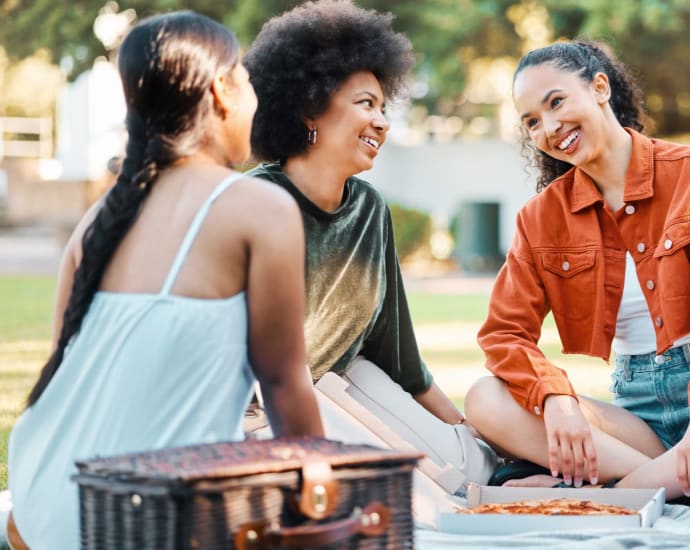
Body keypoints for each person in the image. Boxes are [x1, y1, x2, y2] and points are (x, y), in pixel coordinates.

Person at [6, 11, 324, 549]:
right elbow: (284, 386)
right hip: (139, 521)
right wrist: (322, 505)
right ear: (223, 90)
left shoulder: (99, 220)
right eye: (245, 79)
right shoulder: (258, 207)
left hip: (44, 499)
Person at [466, 39, 690, 509]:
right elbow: (504, 335)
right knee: (484, 399)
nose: (550, 127)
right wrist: (555, 398)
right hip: (636, 420)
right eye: (532, 121)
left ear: (600, 87)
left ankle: (604, 497)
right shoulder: (540, 218)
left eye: (556, 102)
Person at [242, 0, 495, 489]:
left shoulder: (369, 209)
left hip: (347, 379)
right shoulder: (253, 200)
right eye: (366, 104)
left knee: (473, 472)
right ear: (309, 107)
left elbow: (397, 355)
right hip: (261, 407)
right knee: (405, 491)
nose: (382, 121)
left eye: (383, 107)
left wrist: (466, 431)